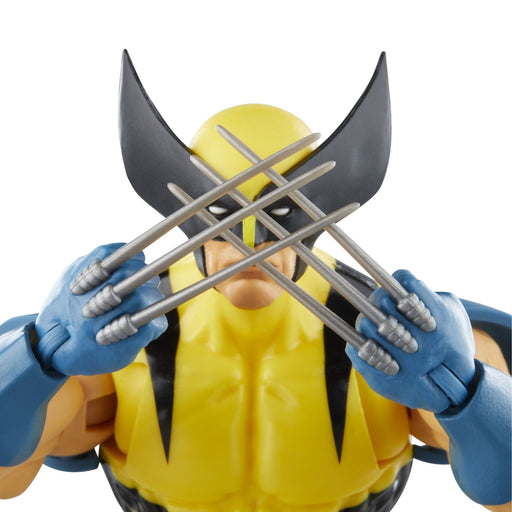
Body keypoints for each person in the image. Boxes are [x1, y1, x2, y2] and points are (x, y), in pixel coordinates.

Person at [0, 51, 510, 512]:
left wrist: (465, 393)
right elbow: (7, 478)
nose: (251, 243)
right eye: (221, 214)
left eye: (281, 214)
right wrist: (39, 359)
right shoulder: (113, 340)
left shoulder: (402, 339)